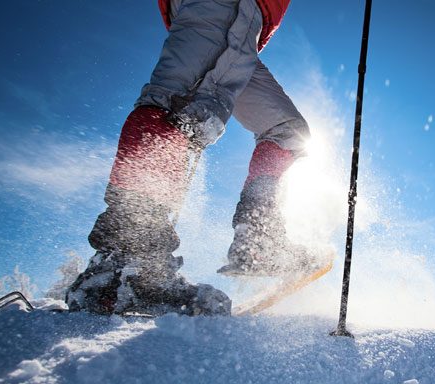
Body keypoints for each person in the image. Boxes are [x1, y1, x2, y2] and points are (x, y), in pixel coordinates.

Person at [66, 0, 319, 316]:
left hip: (250, 24)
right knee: (172, 102)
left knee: (287, 131)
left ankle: (257, 238)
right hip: (222, 6)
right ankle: (133, 262)